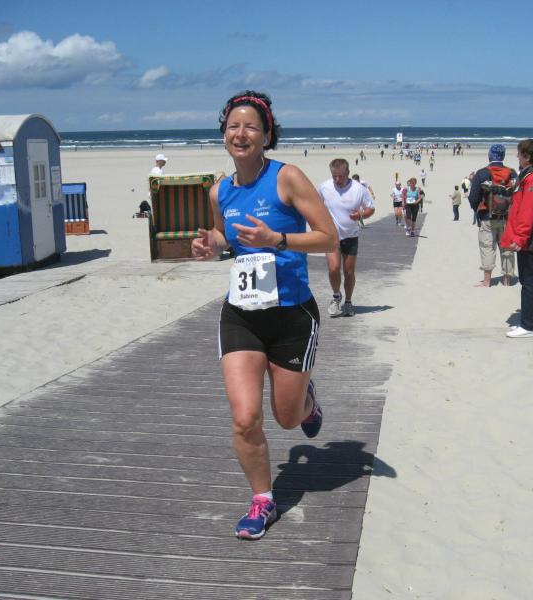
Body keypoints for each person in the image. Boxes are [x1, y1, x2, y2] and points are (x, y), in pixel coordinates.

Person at [190, 91, 338, 540]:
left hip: (293, 315)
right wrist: (212, 245)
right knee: (244, 418)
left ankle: (307, 400)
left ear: (267, 135)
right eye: (233, 126)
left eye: (251, 127)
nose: (241, 134)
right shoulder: (219, 190)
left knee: (287, 418)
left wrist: (277, 239)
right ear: (224, 134)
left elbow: (329, 237)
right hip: (242, 314)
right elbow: (225, 237)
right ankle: (262, 500)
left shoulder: (287, 178)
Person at [500, 139, 533, 338]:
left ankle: (528, 325)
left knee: (528, 280)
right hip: (527, 236)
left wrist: (520, 238)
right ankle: (532, 321)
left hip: (530, 238)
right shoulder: (529, 176)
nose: (517, 157)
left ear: (527, 156)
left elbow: (528, 211)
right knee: (530, 280)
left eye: (519, 154)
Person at [319, 158, 375, 317]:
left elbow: (371, 209)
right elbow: (316, 206)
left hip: (351, 236)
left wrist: (360, 215)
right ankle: (336, 297)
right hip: (331, 237)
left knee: (349, 272)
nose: (337, 180)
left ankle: (348, 302)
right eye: (334, 176)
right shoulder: (324, 187)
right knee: (333, 268)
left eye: (341, 176)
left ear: (348, 173)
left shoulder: (359, 189)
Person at [469, 144, 517, 287]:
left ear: (490, 155)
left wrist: (477, 209)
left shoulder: (482, 173)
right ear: (503, 156)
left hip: (487, 216)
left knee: (487, 247)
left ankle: (487, 281)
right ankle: (507, 280)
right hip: (506, 217)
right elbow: (517, 194)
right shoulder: (512, 173)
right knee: (506, 248)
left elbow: (473, 197)